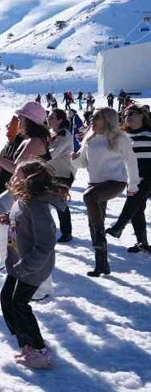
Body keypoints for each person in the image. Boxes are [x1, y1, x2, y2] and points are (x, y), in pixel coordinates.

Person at [0, 161, 66, 369]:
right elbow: (20, 219)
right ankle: (26, 343)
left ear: (29, 179)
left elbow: (46, 244)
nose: (13, 176)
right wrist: (8, 219)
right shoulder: (22, 199)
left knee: (19, 304)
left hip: (33, 266)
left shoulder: (37, 205)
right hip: (19, 262)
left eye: (17, 173)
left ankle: (39, 349)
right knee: (7, 300)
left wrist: (27, 265)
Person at [72, 107, 140, 276]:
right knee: (93, 224)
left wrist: (133, 186)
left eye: (96, 118)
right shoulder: (89, 138)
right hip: (95, 184)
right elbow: (82, 163)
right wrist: (73, 159)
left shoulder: (120, 138)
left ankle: (101, 237)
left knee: (89, 197)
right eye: (92, 118)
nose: (91, 122)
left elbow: (131, 162)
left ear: (107, 120)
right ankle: (101, 265)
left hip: (115, 182)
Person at [0, 102, 50, 271]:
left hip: (30, 193)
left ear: (29, 120)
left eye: (21, 117)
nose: (18, 120)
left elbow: (16, 168)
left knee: (25, 235)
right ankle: (7, 256)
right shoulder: (30, 140)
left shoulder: (35, 142)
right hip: (21, 190)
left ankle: (37, 281)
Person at [106, 105, 151, 253]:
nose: (128, 117)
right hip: (133, 177)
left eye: (131, 113)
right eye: (125, 115)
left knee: (135, 199)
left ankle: (119, 226)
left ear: (142, 115)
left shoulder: (149, 132)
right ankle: (142, 242)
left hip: (149, 176)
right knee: (137, 210)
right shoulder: (124, 135)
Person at [46, 109, 77, 243]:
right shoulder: (53, 133)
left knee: (60, 202)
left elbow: (50, 154)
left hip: (64, 174)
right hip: (53, 172)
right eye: (49, 116)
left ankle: (66, 232)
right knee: (48, 201)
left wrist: (31, 156)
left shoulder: (64, 135)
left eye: (52, 117)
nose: (48, 119)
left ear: (60, 120)